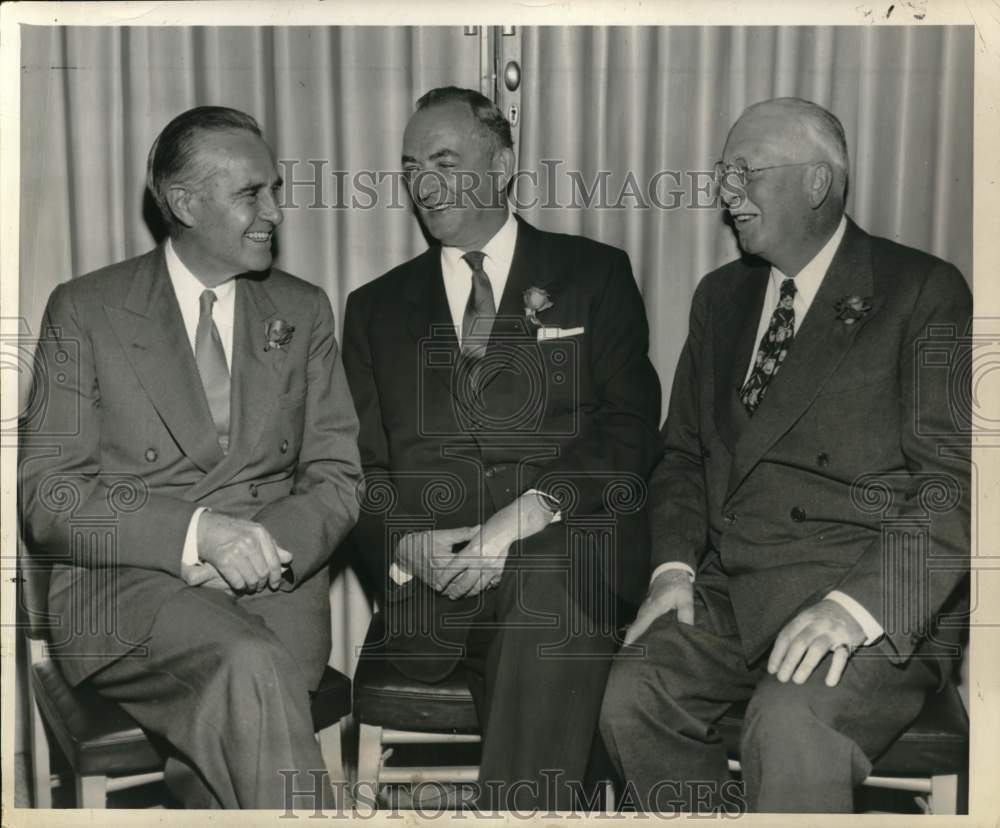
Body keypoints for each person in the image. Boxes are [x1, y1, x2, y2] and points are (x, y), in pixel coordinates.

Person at [599, 97, 971, 813]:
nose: (725, 192)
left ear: (817, 184)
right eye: (721, 173)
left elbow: (954, 485)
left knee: (793, 726)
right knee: (631, 696)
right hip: (733, 588)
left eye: (746, 172)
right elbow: (680, 457)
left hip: (864, 599)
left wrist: (854, 608)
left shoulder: (922, 291)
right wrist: (672, 568)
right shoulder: (722, 298)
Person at [19, 106, 362, 809]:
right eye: (250, 194)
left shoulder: (302, 311)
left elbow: (338, 476)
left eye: (274, 188)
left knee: (236, 705)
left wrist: (264, 547)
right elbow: (49, 496)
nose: (274, 210)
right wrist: (199, 535)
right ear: (184, 203)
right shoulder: (87, 309)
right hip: (127, 594)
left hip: (272, 593)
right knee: (245, 667)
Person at [342, 86, 661, 811]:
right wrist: (404, 545)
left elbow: (632, 426)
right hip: (438, 595)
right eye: (411, 166)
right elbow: (357, 470)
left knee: (547, 588)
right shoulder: (374, 309)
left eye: (445, 160)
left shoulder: (596, 274)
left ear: (502, 164)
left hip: (565, 571)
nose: (424, 183)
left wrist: (528, 512)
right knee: (549, 655)